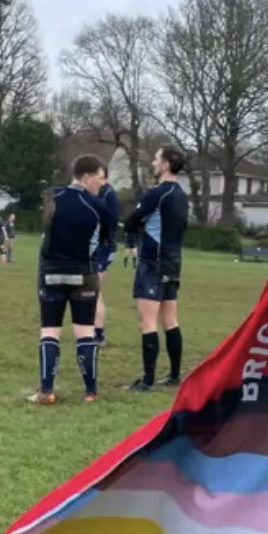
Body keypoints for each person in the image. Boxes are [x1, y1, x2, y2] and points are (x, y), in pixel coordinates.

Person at [29, 154, 117, 405]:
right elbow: (106, 241)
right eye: (100, 180)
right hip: (83, 275)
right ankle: (91, 392)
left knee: (49, 331)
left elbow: (45, 231)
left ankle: (46, 391)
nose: (103, 185)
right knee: (85, 332)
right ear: (87, 177)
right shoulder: (98, 207)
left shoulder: (52, 197)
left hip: (51, 273)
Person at [122, 145, 189, 392]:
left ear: (166, 165)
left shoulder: (157, 194)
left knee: (147, 321)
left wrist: (133, 233)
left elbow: (131, 221)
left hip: (153, 262)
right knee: (170, 319)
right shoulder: (182, 195)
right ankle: (173, 376)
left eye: (156, 158)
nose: (152, 162)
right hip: (173, 262)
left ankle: (147, 380)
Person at [91, 168, 122, 347]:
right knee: (93, 291)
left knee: (94, 292)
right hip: (103, 247)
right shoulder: (104, 193)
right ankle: (93, 330)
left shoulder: (106, 194)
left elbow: (105, 223)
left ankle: (99, 334)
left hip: (102, 248)